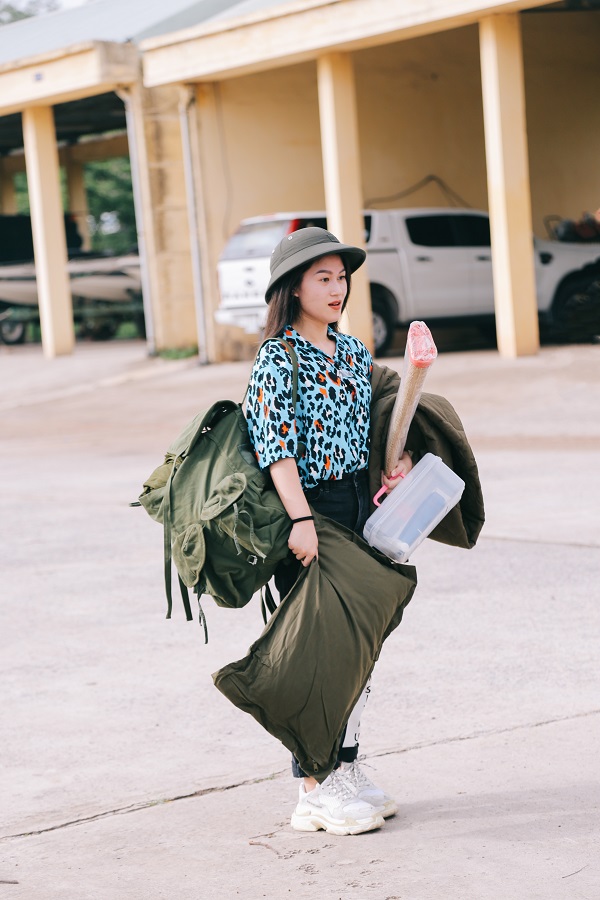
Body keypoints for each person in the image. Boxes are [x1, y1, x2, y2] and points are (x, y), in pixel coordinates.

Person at [245, 226, 414, 836]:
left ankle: (345, 766)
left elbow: (368, 431)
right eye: (323, 278)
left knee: (359, 648)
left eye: (342, 277)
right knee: (319, 655)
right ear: (293, 288)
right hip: (310, 511)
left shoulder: (352, 352)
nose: (337, 288)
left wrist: (396, 463)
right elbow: (277, 450)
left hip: (358, 506)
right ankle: (313, 788)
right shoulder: (278, 358)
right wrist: (300, 520)